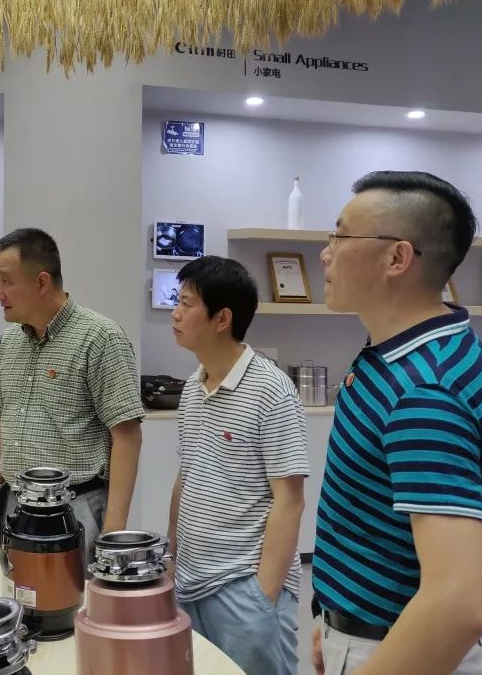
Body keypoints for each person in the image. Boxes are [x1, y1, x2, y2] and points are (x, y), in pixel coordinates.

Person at [311, 171, 482, 675]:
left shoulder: (424, 391)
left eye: (340, 236)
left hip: (399, 652)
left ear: (397, 258)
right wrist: (333, 616)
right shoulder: (408, 351)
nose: (326, 254)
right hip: (369, 634)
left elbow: (460, 603)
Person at [166, 256, 309, 675]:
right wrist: (172, 557)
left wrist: (264, 594)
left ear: (222, 319)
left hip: (242, 589)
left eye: (187, 304)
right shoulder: (193, 387)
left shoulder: (271, 390)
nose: (175, 313)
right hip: (189, 582)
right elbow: (187, 477)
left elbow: (290, 499)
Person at [0, 228, 144, 563]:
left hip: (76, 509)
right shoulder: (8, 342)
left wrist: (112, 534)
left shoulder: (100, 338)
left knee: (74, 597)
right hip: (14, 506)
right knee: (15, 593)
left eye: (6, 281)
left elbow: (127, 436)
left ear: (41, 282)